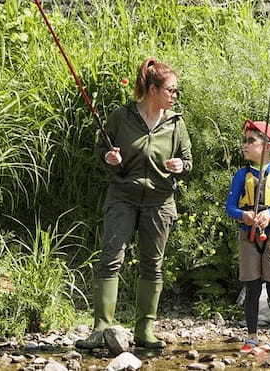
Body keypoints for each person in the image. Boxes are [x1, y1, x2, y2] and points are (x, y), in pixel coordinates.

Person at [76, 57, 192, 349]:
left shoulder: (176, 124)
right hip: (122, 197)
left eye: (175, 91)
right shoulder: (121, 116)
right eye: (171, 90)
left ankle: (145, 331)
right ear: (152, 89)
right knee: (110, 258)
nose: (175, 96)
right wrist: (109, 158)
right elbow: (101, 150)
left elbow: (188, 161)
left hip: (160, 201)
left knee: (153, 265)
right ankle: (101, 328)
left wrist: (180, 165)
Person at [225, 120, 270, 355]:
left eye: (250, 141)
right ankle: (252, 336)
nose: (244, 145)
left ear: (267, 146)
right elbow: (230, 207)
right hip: (248, 236)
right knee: (252, 288)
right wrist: (244, 215)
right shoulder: (241, 175)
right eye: (244, 140)